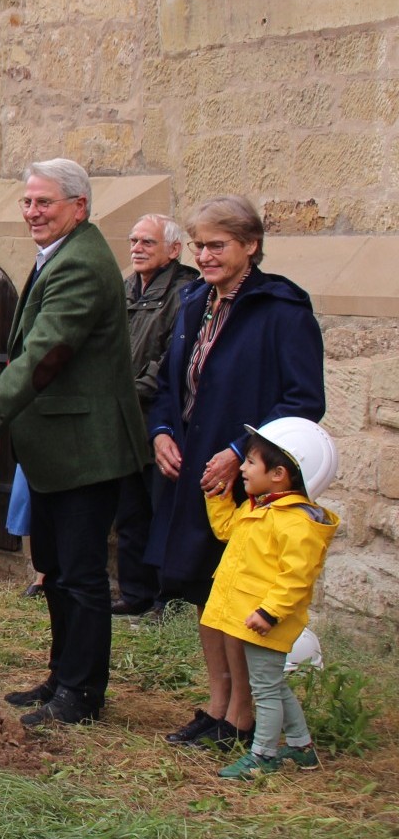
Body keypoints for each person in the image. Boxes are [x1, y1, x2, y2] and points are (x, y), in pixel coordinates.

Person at [0, 159, 151, 728]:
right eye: (28, 202)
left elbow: (44, 354)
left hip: (86, 448)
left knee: (82, 575)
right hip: (57, 449)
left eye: (45, 203)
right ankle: (63, 675)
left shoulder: (82, 264)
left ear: (79, 207)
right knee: (55, 569)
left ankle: (82, 695)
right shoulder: (61, 253)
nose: (32, 212)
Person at [147, 195, 324, 749]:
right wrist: (161, 434)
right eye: (199, 245)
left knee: (241, 596)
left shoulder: (282, 309)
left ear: (250, 246)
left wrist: (237, 449)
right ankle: (217, 704)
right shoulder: (194, 301)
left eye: (217, 245)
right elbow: (170, 387)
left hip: (249, 482)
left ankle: (243, 717)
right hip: (195, 478)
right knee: (208, 592)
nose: (205, 256)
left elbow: (302, 400)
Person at [201, 419, 339, 779]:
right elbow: (226, 530)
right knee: (273, 684)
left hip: (264, 621)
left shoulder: (297, 524)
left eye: (249, 462)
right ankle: (300, 745)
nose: (242, 468)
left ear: (278, 474)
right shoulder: (260, 508)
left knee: (264, 690)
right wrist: (216, 499)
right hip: (251, 617)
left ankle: (263, 753)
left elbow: (296, 578)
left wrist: (269, 612)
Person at [116, 213, 197, 615]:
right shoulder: (125, 287)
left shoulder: (185, 291)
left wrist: (128, 394)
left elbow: (171, 358)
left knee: (163, 505)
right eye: (134, 241)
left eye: (147, 243)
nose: (137, 249)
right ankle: (134, 592)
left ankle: (168, 597)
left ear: (173, 250)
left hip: (160, 415)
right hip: (123, 417)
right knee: (129, 509)